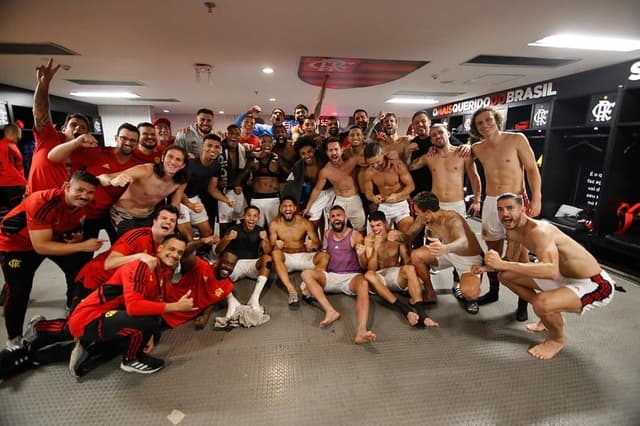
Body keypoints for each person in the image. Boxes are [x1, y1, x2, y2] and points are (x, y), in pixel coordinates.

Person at [473, 193, 615, 360]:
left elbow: (550, 271)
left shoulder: (541, 231)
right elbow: (510, 261)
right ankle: (550, 315)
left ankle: (557, 339)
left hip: (593, 283)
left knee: (541, 303)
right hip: (562, 276)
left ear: (523, 209)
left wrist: (502, 264)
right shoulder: (512, 231)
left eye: (510, 208)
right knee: (506, 276)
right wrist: (486, 267)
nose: (504, 214)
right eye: (500, 209)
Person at [0, 170, 106, 350]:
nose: (84, 196)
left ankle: (72, 309)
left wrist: (75, 238)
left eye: (89, 192)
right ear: (66, 187)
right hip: (16, 246)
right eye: (80, 190)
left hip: (50, 238)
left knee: (79, 269)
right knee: (18, 290)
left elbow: (71, 225)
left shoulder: (85, 205)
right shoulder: (41, 201)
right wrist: (82, 246)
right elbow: (40, 246)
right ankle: (14, 338)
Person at [67, 234, 195, 375]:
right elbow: (134, 307)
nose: (175, 255)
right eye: (172, 249)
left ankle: (88, 350)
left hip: (104, 315)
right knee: (146, 321)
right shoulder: (142, 266)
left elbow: (154, 302)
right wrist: (175, 306)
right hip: (88, 317)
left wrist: (148, 334)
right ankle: (131, 359)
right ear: (160, 248)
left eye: (180, 252)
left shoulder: (161, 273)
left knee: (151, 329)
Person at [470, 106, 542, 320]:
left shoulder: (516, 139)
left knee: (520, 256)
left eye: (488, 120)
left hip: (515, 200)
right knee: (492, 252)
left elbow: (532, 169)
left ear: (496, 120)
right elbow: (460, 157)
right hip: (491, 202)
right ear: (475, 128)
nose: (485, 125)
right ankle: (493, 292)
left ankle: (524, 302)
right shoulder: (476, 148)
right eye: (479, 123)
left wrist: (536, 197)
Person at [47, 122, 141, 245]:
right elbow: (53, 157)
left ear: (137, 143)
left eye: (133, 140)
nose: (128, 143)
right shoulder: (97, 153)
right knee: (81, 254)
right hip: (86, 214)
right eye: (124, 138)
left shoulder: (137, 165)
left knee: (122, 249)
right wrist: (77, 142)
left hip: (113, 215)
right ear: (116, 138)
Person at [300, 205, 375, 344]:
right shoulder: (327, 233)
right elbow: (323, 251)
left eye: (339, 215)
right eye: (333, 216)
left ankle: (361, 330)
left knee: (363, 283)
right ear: (330, 219)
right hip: (331, 276)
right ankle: (330, 311)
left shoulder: (355, 235)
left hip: (351, 277)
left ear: (345, 218)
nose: (336, 219)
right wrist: (312, 247)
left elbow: (364, 265)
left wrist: (361, 254)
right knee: (306, 274)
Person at [406, 192, 485, 312]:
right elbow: (409, 235)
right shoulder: (424, 218)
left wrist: (444, 248)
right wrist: (396, 236)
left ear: (428, 212)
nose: (416, 213)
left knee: (469, 293)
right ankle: (430, 292)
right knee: (416, 256)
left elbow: (463, 242)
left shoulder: (452, 218)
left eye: (417, 211)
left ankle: (472, 294)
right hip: (448, 252)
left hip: (468, 258)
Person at [363, 211, 438, 328]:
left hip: (395, 275)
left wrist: (414, 278)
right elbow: (371, 269)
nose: (375, 229)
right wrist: (375, 249)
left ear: (385, 223)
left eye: (378, 225)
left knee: (410, 268)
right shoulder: (369, 239)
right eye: (372, 226)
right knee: (368, 275)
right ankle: (405, 310)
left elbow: (407, 260)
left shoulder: (396, 236)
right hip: (379, 278)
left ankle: (422, 314)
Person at [28, 58, 91, 194]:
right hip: (35, 204)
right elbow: (40, 112)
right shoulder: (49, 137)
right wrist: (44, 85)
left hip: (63, 208)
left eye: (82, 127)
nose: (77, 129)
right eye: (73, 125)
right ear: (63, 129)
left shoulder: (86, 155)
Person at [105, 145, 188, 237]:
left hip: (148, 215)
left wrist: (172, 224)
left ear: (183, 165)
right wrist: (112, 181)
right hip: (123, 214)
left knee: (159, 241)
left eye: (178, 159)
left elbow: (175, 204)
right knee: (135, 242)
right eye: (170, 156)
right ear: (163, 157)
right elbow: (106, 177)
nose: (173, 162)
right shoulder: (146, 170)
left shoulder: (181, 181)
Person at [409, 123, 481, 218]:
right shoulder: (429, 157)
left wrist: (477, 201)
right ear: (431, 140)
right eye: (434, 135)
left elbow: (474, 177)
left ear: (448, 134)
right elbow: (410, 167)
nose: (438, 136)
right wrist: (408, 150)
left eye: (440, 132)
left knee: (456, 233)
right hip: (435, 205)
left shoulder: (463, 154)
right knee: (434, 233)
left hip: (457, 204)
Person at [215, 205, 272, 316]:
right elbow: (218, 250)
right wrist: (228, 238)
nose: (251, 218)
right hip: (235, 265)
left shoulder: (261, 230)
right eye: (249, 215)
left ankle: (254, 298)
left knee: (268, 259)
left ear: (258, 218)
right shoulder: (234, 229)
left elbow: (268, 251)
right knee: (217, 267)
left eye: (255, 216)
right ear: (243, 216)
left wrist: (265, 239)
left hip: (252, 264)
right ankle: (231, 300)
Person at [163, 248, 238, 329]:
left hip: (174, 321)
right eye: (225, 263)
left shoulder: (228, 286)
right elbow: (186, 253)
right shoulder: (201, 266)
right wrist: (201, 241)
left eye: (232, 265)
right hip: (164, 304)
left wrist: (206, 315)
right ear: (218, 260)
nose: (227, 267)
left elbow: (213, 301)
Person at [177, 134, 234, 241]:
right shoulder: (190, 164)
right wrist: (190, 205)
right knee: (188, 237)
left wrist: (227, 200)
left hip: (194, 198)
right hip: (179, 199)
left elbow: (211, 188)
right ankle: (189, 256)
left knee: (208, 233)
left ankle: (202, 254)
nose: (213, 149)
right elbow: (178, 190)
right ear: (202, 146)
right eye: (209, 145)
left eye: (217, 147)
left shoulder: (216, 165)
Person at [269, 196, 324, 306]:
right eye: (284, 206)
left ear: (295, 208)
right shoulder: (274, 224)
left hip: (303, 256)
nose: (287, 209)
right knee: (275, 254)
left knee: (324, 256)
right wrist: (275, 245)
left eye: (290, 206)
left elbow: (318, 244)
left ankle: (309, 287)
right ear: (280, 209)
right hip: (286, 259)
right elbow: (270, 248)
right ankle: (291, 290)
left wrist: (313, 244)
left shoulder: (305, 223)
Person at [303, 137, 366, 233]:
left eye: (336, 149)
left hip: (355, 198)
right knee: (336, 230)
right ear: (327, 152)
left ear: (342, 150)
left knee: (360, 229)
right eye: (330, 150)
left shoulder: (352, 160)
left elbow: (372, 160)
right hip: (340, 200)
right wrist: (308, 207)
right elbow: (317, 189)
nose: (333, 153)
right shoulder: (325, 171)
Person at [362, 141, 415, 234]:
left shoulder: (397, 165)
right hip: (384, 206)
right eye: (371, 164)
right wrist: (373, 197)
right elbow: (368, 193)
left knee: (407, 234)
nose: (375, 166)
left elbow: (411, 186)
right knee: (377, 237)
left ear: (382, 154)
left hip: (401, 204)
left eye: (377, 162)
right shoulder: (369, 172)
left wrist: (398, 195)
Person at [236, 134, 286, 227]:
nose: (267, 144)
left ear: (273, 143)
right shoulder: (253, 159)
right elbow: (243, 173)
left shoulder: (277, 159)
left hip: (273, 199)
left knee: (275, 228)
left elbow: (289, 173)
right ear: (259, 143)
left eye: (269, 142)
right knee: (256, 228)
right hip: (256, 199)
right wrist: (237, 185)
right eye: (263, 142)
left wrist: (281, 162)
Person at [218, 124, 248, 236]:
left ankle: (234, 244)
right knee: (224, 222)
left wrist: (239, 183)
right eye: (231, 133)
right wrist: (218, 181)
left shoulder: (241, 149)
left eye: (237, 134)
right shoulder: (219, 148)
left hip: (236, 187)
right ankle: (223, 247)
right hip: (222, 190)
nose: (234, 136)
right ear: (226, 134)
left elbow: (243, 168)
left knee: (237, 218)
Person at [0, 123, 27, 212]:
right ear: (16, 133)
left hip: (13, 185)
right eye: (20, 133)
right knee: (17, 213)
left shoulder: (10, 145)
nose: (20, 136)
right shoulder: (5, 146)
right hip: (11, 186)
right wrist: (25, 183)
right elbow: (8, 167)